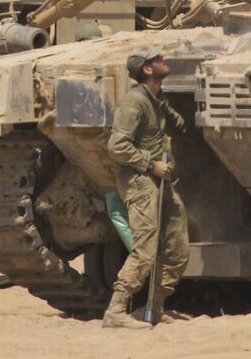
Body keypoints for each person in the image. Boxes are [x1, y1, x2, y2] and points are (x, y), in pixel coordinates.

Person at [103, 49, 190, 329]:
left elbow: (180, 127)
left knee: (177, 247)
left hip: (160, 181)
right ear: (147, 70)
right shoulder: (134, 102)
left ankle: (153, 307)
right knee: (146, 249)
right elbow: (117, 146)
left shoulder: (155, 100)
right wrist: (151, 165)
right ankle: (116, 309)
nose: (164, 60)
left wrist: (164, 106)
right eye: (157, 60)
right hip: (139, 180)